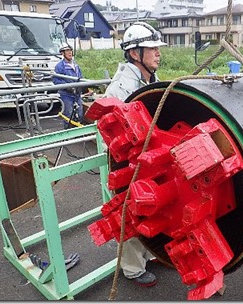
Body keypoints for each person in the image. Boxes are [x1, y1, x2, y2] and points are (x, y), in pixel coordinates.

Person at [103, 21, 167, 286]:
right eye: (151, 48)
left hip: (149, 157)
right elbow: (111, 133)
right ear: (134, 53)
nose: (158, 53)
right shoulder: (120, 89)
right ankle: (131, 267)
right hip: (126, 162)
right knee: (130, 210)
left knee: (152, 207)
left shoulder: (151, 80)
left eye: (157, 48)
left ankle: (149, 254)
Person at [52, 43, 83, 128]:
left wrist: (83, 87)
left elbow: (80, 77)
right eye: (67, 51)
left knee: (80, 113)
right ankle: (68, 133)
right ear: (62, 53)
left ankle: (78, 132)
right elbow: (55, 80)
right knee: (68, 115)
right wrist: (67, 87)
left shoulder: (75, 65)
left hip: (77, 94)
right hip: (66, 95)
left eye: (70, 51)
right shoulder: (59, 66)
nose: (70, 53)